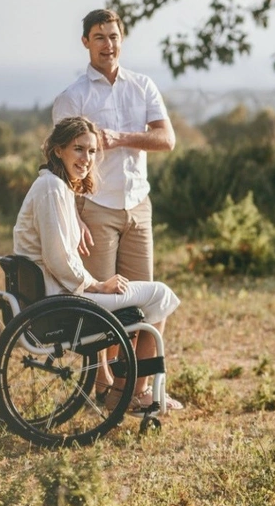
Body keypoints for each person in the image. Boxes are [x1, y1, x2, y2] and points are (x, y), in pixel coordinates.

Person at [13, 116, 182, 413]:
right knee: (161, 295)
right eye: (79, 149)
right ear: (58, 150)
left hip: (55, 294)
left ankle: (124, 389)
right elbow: (59, 259)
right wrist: (99, 285)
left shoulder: (55, 186)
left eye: (92, 152)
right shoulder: (52, 188)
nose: (87, 158)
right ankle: (133, 392)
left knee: (152, 296)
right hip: (60, 301)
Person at [52, 8, 176, 397]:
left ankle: (134, 389)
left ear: (122, 39)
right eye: (100, 37)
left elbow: (166, 140)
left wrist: (120, 137)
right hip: (95, 207)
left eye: (114, 36)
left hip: (139, 207)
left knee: (142, 305)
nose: (109, 44)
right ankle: (102, 386)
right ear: (86, 42)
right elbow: (59, 164)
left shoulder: (142, 86)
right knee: (102, 303)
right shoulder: (72, 97)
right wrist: (75, 216)